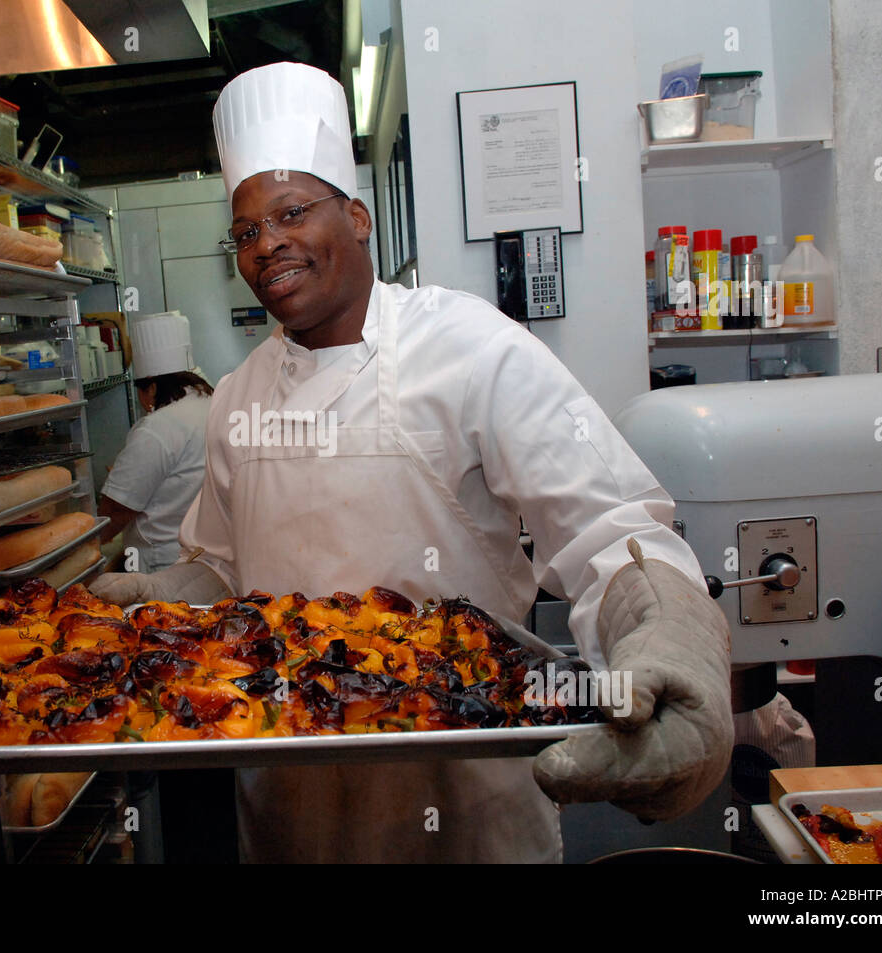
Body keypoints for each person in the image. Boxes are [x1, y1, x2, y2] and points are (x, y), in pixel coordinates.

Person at [92, 62, 733, 863]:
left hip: (463, 799)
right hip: (291, 812)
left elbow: (612, 528)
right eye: (247, 230)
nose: (268, 245)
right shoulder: (239, 395)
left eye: (292, 211)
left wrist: (670, 639)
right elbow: (225, 569)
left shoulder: (468, 346)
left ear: (357, 217)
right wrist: (157, 597)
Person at [97, 311, 213, 574]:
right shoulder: (213, 403)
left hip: (162, 563)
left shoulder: (158, 427)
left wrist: (86, 546)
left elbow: (117, 509)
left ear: (150, 387)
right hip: (208, 557)